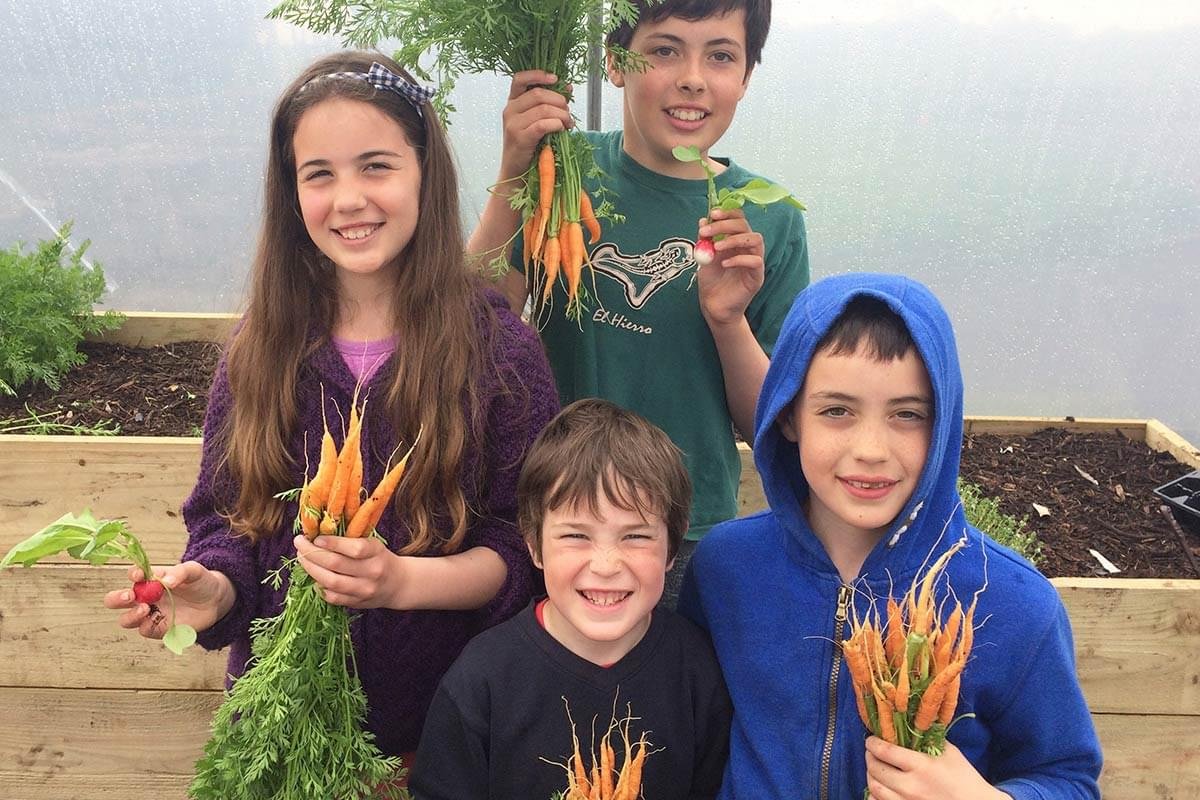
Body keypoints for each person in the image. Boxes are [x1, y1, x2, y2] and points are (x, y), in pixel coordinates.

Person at [103, 51, 559, 763]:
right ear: (291, 194)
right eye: (319, 174)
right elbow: (227, 522)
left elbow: (523, 546)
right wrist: (213, 592)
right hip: (285, 737)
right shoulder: (262, 351)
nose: (348, 199)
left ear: (424, 174)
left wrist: (403, 582)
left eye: (376, 165)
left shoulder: (501, 351)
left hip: (452, 735)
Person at [678, 273, 1103, 799]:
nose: (871, 449)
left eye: (907, 414)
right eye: (837, 411)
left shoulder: (1013, 602)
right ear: (788, 417)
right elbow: (694, 730)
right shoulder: (726, 568)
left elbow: (1069, 777)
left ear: (943, 423)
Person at [469, 0, 810, 604]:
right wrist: (514, 169)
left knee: (672, 692)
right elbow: (470, 326)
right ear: (615, 62)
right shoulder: (564, 169)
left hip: (687, 531)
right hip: (553, 514)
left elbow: (769, 422)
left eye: (721, 55)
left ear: (747, 76)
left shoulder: (768, 219)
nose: (693, 78)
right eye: (665, 49)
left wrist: (728, 321)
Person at [409, 398, 732, 799]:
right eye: (576, 536)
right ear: (534, 545)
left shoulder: (698, 671)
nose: (607, 564)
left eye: (635, 536)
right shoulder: (482, 680)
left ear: (671, 547)